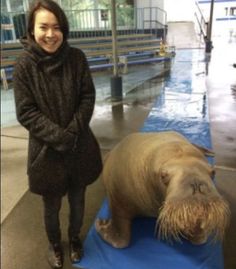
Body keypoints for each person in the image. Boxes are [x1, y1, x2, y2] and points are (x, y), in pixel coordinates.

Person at [13, 0, 103, 268]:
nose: (50, 34)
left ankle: (75, 238)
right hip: (46, 153)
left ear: (64, 29)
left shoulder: (77, 58)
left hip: (79, 146)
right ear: (32, 29)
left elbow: (87, 96)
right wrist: (60, 138)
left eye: (56, 27)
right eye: (43, 27)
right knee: (51, 207)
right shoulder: (24, 66)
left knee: (78, 201)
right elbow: (26, 112)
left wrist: (73, 131)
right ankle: (55, 245)